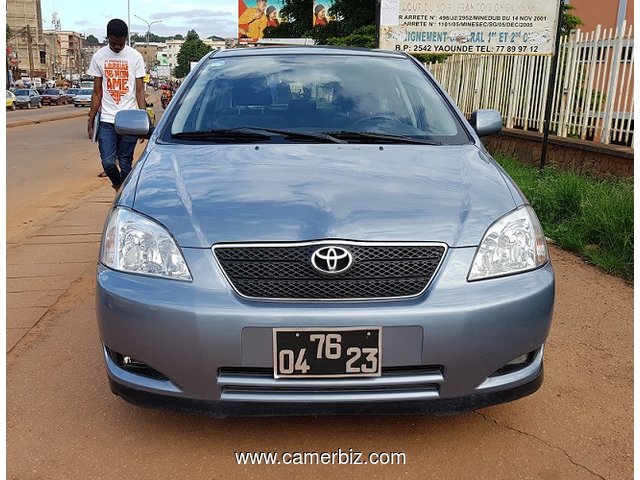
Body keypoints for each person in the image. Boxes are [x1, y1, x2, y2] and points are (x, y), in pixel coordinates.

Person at [87, 18, 146, 191]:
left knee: (126, 162)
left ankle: (124, 196)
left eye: (121, 43)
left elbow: (140, 91)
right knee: (108, 162)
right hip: (107, 120)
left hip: (129, 119)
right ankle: (119, 187)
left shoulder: (135, 57)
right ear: (108, 38)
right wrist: (90, 120)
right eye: (114, 43)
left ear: (126, 38)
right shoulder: (99, 57)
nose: (118, 47)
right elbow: (97, 92)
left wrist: (142, 120)